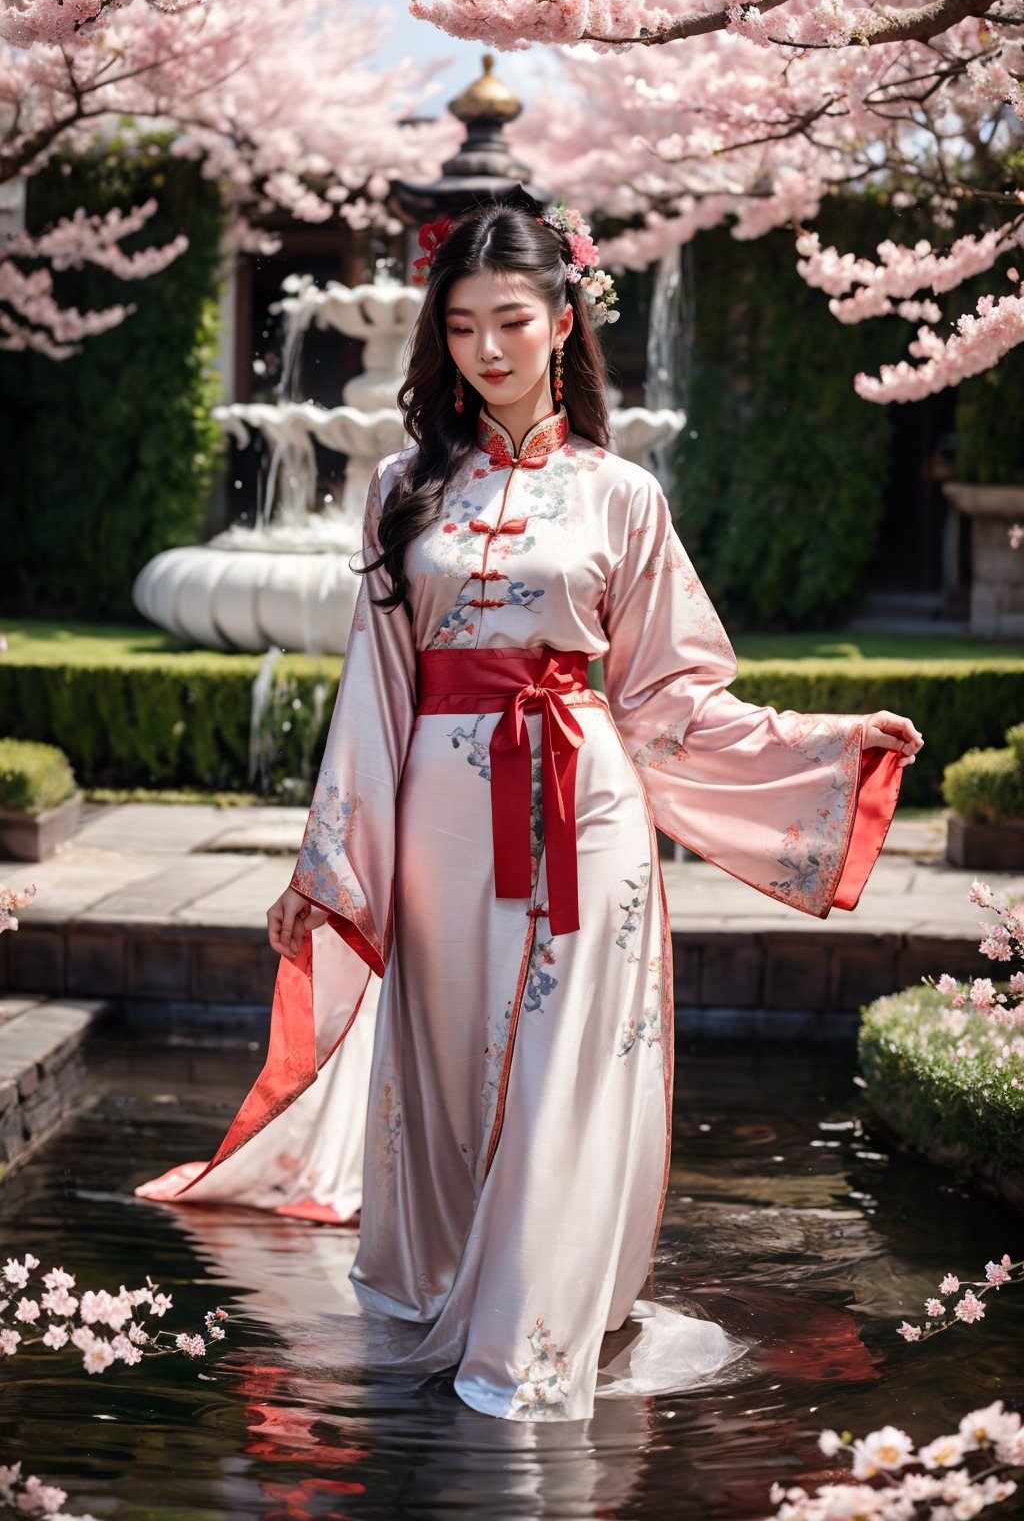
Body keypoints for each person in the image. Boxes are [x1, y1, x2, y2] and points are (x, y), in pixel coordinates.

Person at [138, 198, 924, 1423]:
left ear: (563, 321)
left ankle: (533, 1331)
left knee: (565, 1063)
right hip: (441, 822)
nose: (489, 349)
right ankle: (445, 1283)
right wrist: (329, 860)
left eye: (512, 320)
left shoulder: (622, 495)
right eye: (461, 327)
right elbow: (375, 684)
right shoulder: (403, 486)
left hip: (584, 813)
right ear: (439, 339)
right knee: (446, 1066)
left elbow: (667, 697)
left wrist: (823, 743)